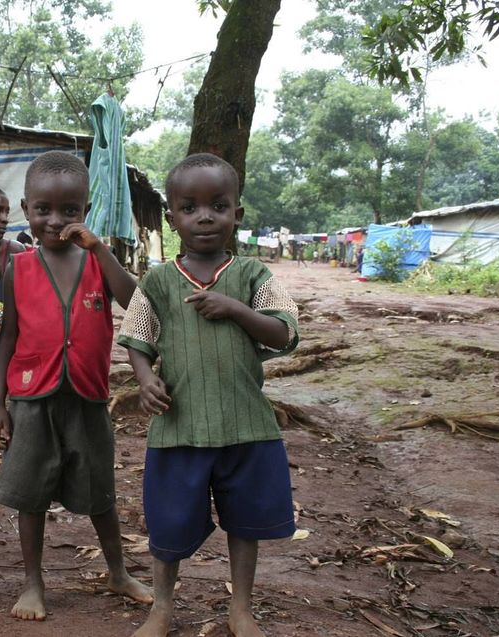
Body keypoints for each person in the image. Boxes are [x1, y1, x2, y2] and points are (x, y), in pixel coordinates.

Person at [117, 153, 300, 637]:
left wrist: (237, 309)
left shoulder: (254, 276)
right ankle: (161, 608)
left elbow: (283, 333)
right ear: (172, 216)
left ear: (236, 213)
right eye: (190, 207)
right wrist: (144, 378)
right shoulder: (158, 281)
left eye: (218, 206)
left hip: (246, 425)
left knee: (247, 522)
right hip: (180, 428)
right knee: (168, 527)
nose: (204, 217)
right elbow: (138, 339)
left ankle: (240, 609)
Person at [0, 151, 153, 621]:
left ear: (86, 211)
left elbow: (138, 304)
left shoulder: (98, 262)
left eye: (70, 210)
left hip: (87, 396)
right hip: (31, 398)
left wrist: (100, 249)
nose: (55, 220)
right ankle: (33, 582)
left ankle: (118, 572)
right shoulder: (17, 269)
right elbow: (8, 342)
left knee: (100, 491)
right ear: (26, 209)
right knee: (30, 494)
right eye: (43, 209)